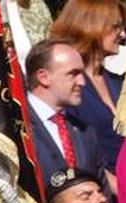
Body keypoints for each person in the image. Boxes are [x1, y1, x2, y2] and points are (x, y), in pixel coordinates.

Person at [49, 0, 126, 179]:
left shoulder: (120, 83)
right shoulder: (68, 87)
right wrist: (116, 187)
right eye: (116, 27)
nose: (122, 35)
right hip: (95, 191)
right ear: (91, 25)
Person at [24, 40, 102, 177]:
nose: (82, 82)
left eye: (82, 74)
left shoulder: (84, 130)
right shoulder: (18, 126)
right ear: (43, 77)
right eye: (73, 73)